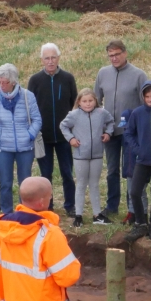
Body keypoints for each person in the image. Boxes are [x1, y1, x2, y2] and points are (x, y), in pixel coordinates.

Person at [94, 40, 147, 218]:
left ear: (125, 53)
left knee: (131, 171)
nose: (114, 58)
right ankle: (112, 205)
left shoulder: (139, 75)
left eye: (117, 54)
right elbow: (95, 101)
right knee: (112, 170)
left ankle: (133, 209)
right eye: (111, 55)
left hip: (131, 133)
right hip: (110, 132)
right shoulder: (102, 73)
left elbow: (145, 103)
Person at [26, 43, 77, 215]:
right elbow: (30, 108)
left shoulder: (68, 78)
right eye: (47, 58)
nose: (50, 61)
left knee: (67, 173)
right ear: (42, 60)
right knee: (45, 175)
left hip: (64, 137)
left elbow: (74, 105)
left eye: (53, 57)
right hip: (43, 137)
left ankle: (70, 205)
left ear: (58, 58)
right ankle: (48, 206)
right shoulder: (35, 80)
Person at [0, 63, 42, 215]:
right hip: (3, 148)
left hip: (25, 148)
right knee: (5, 183)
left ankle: (24, 212)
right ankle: (7, 213)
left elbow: (37, 119)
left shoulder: (27, 96)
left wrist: (29, 135)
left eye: (5, 82)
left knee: (25, 182)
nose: (1, 85)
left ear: (13, 82)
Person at [60, 88, 113, 227]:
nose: (88, 104)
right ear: (79, 102)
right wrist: (71, 138)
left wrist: (108, 133)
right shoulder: (74, 115)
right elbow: (63, 126)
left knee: (94, 184)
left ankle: (97, 215)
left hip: (97, 155)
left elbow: (111, 122)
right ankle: (78, 216)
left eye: (91, 101)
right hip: (80, 156)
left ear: (96, 101)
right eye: (84, 101)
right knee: (81, 184)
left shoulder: (102, 113)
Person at [125, 82, 151, 241]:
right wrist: (138, 150)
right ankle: (141, 223)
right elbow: (129, 133)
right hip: (142, 160)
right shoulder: (137, 113)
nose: (150, 99)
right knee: (134, 191)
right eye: (147, 96)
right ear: (143, 97)